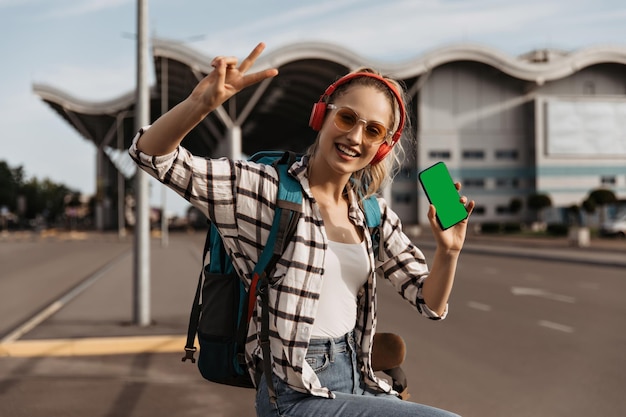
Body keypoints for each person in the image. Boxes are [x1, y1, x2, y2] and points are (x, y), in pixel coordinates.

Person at [129, 42, 474, 417]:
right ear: (321, 117)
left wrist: (449, 251)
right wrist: (201, 104)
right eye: (347, 119)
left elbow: (431, 303)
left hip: (359, 381)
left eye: (372, 130)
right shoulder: (265, 190)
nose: (356, 138)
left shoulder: (371, 213)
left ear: (381, 146)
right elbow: (154, 157)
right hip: (295, 394)